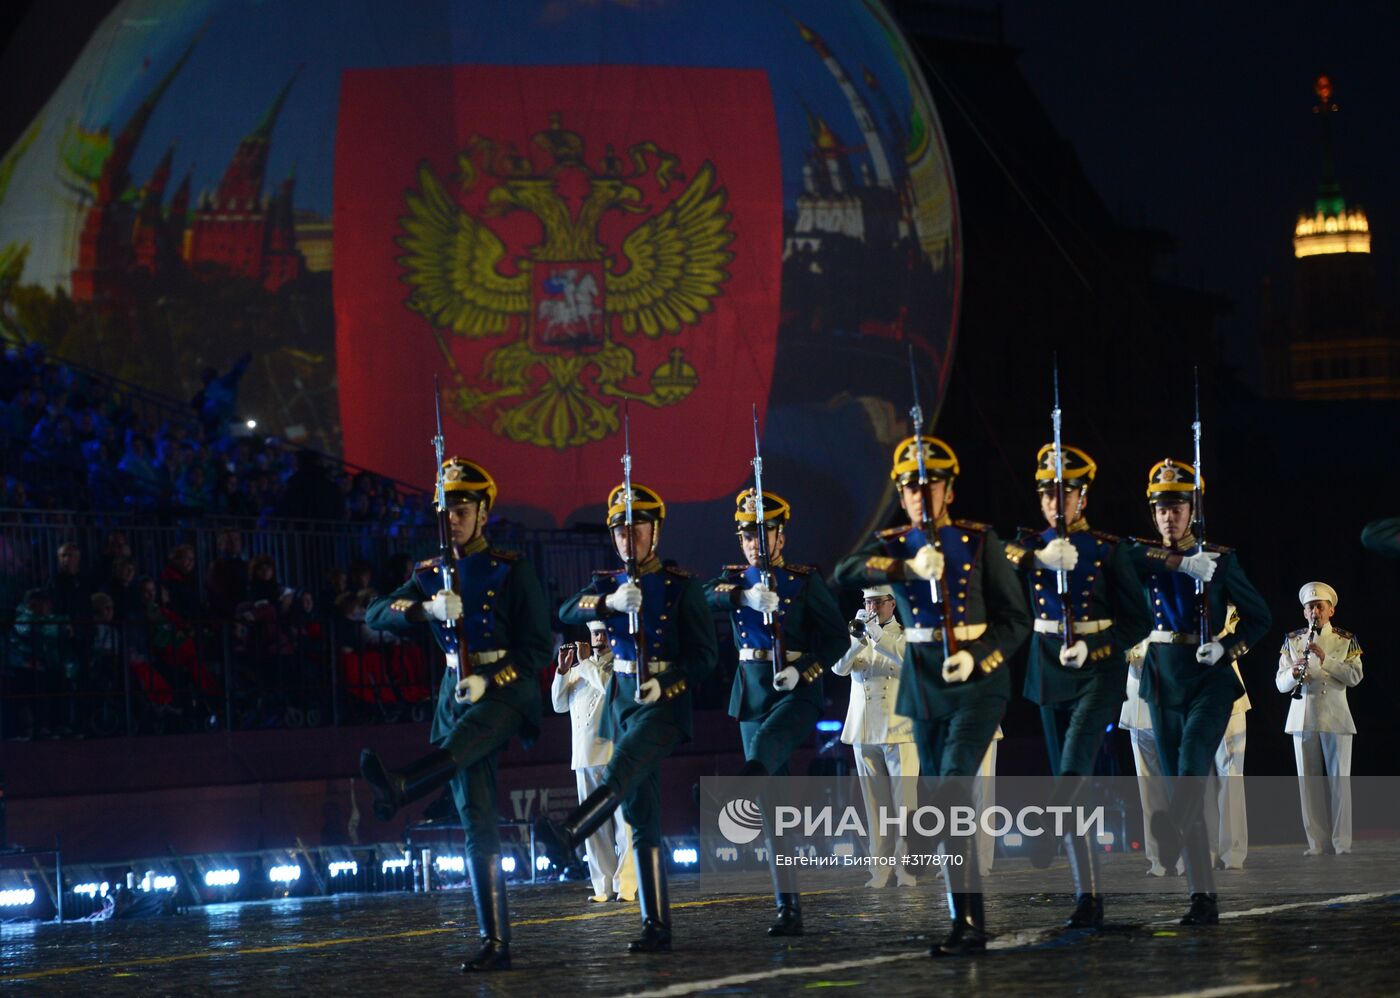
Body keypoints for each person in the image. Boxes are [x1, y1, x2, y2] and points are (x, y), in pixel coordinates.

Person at [834, 435, 1030, 957]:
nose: (922, 496)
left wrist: (979, 656)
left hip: (977, 683)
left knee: (955, 781)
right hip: (924, 689)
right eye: (912, 489)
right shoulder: (896, 545)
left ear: (949, 490)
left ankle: (920, 836)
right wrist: (904, 569)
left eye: (932, 485)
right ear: (902, 496)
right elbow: (845, 571)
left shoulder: (978, 541)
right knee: (952, 798)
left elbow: (1016, 620)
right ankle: (965, 920)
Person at [358, 457, 551, 972]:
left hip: (503, 691)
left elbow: (537, 646)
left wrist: (490, 678)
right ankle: (495, 942)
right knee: (476, 817)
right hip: (454, 693)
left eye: (463, 511)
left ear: (483, 513)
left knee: (465, 742)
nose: (454, 521)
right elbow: (376, 613)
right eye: (446, 512)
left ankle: (404, 785)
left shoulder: (510, 568)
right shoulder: (429, 574)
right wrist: (426, 609)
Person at [538, 481, 718, 954]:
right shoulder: (607, 585)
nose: (627, 538)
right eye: (620, 530)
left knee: (624, 766)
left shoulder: (680, 587)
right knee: (642, 812)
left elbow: (705, 656)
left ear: (655, 532)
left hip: (662, 705)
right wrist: (609, 603)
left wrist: (667, 682)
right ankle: (656, 923)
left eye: (636, 528)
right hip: (622, 708)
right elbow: (567, 608)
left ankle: (571, 830)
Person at [1004, 444, 1150, 927]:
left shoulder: (1108, 550)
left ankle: (1047, 827)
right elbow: (1001, 556)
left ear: (1082, 498)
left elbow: (1138, 619)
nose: (1055, 502)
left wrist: (1097, 648)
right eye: (1047, 494)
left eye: (1064, 494)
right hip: (1048, 668)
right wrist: (1039, 558)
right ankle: (1088, 896)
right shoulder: (1030, 545)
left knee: (1073, 766)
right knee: (1072, 784)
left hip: (1097, 670)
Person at [1125, 458, 1271, 926]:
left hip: (1209, 679)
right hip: (1163, 681)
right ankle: (1201, 896)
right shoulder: (1143, 557)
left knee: (1191, 769)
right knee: (1178, 784)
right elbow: (1125, 559)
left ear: (1193, 511)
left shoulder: (1221, 559)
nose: (1169, 517)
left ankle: (1172, 836)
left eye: (1178, 508)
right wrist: (1181, 563)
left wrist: (1227, 646)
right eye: (1161, 509)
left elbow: (1260, 617)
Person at [704, 488, 847, 936]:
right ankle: (789, 908)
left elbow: (837, 639)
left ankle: (732, 797)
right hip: (752, 694)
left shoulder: (804, 581)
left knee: (766, 748)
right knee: (773, 807)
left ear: (781, 537)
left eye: (763, 533)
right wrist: (744, 597)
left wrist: (803, 671)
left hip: (795, 693)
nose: (755, 543)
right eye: (747, 535)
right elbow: (704, 597)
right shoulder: (732, 581)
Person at [831, 585, 919, 888]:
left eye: (877, 603)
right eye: (867, 602)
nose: (871, 608)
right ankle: (880, 869)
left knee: (904, 804)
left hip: (899, 728)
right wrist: (858, 641)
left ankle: (907, 868)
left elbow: (906, 659)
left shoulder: (904, 634)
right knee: (875, 803)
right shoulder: (858, 634)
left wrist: (877, 635)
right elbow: (839, 668)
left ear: (891, 604)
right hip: (865, 727)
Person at [550, 621, 636, 904]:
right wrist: (563, 670)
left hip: (612, 753)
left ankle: (626, 884)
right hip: (583, 756)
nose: (598, 638)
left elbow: (608, 688)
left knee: (623, 824)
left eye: (603, 633)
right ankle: (603, 886)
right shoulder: (581, 669)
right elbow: (558, 705)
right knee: (594, 826)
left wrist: (585, 662)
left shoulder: (619, 666)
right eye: (595, 634)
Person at [1275, 581, 1362, 856]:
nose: (1315, 612)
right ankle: (1316, 843)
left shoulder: (1344, 639)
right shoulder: (1293, 640)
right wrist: (1293, 673)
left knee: (1339, 782)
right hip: (1303, 717)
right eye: (1310, 607)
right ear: (1304, 612)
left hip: (1336, 717)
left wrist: (1327, 660)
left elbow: (1355, 676)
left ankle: (1341, 842)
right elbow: (1279, 684)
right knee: (1308, 783)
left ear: (1331, 610)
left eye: (1320, 607)